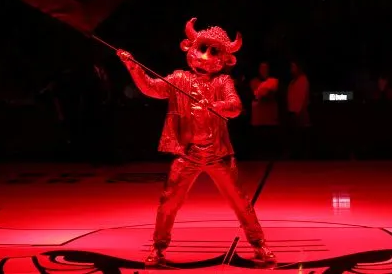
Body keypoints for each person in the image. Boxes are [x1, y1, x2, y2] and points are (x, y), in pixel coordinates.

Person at [118, 18, 275, 267]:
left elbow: (235, 107)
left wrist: (214, 105)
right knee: (168, 202)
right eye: (202, 48)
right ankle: (158, 248)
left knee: (240, 203)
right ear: (190, 48)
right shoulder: (179, 79)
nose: (205, 56)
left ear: (224, 59)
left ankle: (259, 245)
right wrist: (132, 66)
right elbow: (151, 88)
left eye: (213, 51)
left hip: (218, 155)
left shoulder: (222, 82)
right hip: (188, 153)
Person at [249, 62, 280, 158]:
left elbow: (268, 95)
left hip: (270, 117)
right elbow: (256, 94)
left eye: (266, 68)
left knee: (269, 138)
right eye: (262, 69)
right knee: (259, 137)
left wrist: (265, 93)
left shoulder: (273, 81)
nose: (264, 71)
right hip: (258, 117)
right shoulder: (254, 82)